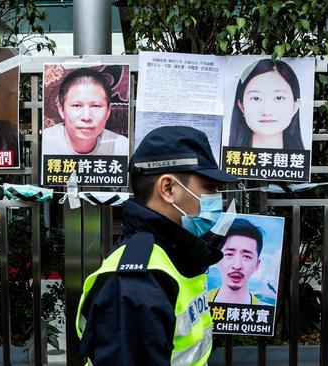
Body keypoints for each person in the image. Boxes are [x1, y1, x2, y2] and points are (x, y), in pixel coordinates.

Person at [76, 126, 238, 365]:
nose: (217, 199)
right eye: (210, 188)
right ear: (168, 188)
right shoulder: (136, 282)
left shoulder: (176, 255)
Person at [42, 68, 128, 155]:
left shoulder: (121, 146)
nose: (86, 117)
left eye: (96, 106)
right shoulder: (44, 143)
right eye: (76, 105)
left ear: (108, 111)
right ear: (61, 110)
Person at [228, 59, 304, 150]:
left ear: (295, 106)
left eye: (279, 98)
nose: (267, 111)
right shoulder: (232, 159)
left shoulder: (299, 160)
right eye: (256, 98)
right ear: (241, 106)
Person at [208, 218, 263, 305]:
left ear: (257, 264)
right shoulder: (201, 305)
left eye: (246, 256)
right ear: (217, 259)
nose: (237, 266)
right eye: (229, 254)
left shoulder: (263, 310)